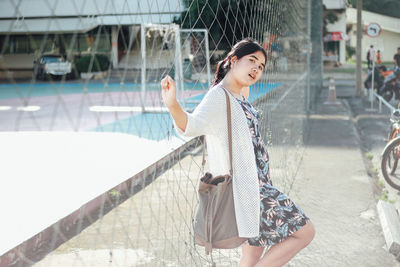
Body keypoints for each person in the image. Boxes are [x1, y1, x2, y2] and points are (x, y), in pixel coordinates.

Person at [161, 38, 315, 267]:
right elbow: (191, 126)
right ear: (233, 61)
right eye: (251, 61)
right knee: (305, 232)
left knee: (251, 256)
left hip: (260, 183)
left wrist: (251, 62)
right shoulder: (218, 96)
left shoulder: (239, 95)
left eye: (261, 66)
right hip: (249, 190)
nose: (256, 68)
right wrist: (172, 103)